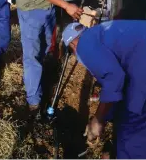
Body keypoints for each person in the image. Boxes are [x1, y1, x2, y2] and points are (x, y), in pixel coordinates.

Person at [62, 20, 146, 159]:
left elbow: (114, 77)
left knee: (131, 131)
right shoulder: (101, 32)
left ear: (73, 44)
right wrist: (106, 115)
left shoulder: (84, 44)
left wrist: (98, 118)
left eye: (72, 52)